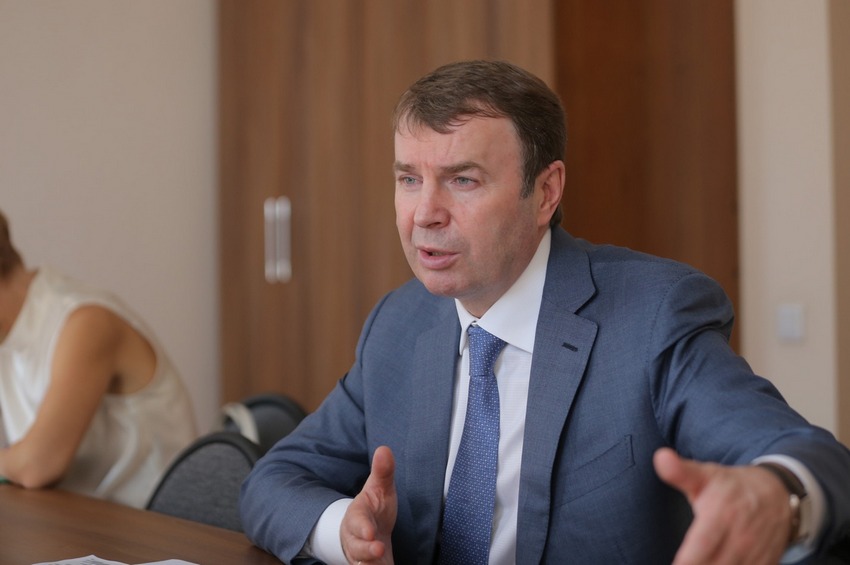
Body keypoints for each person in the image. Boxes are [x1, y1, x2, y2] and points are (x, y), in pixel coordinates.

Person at [239, 60, 850, 564]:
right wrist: (344, 530)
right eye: (408, 179)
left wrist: (777, 495)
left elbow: (808, 455)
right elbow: (274, 479)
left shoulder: (652, 316)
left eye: (463, 180)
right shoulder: (399, 325)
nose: (424, 213)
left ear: (546, 192)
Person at [0, 209, 198, 508]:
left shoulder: (85, 323)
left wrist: (17, 460)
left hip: (154, 522)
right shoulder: (10, 338)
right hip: (78, 521)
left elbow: (37, 465)